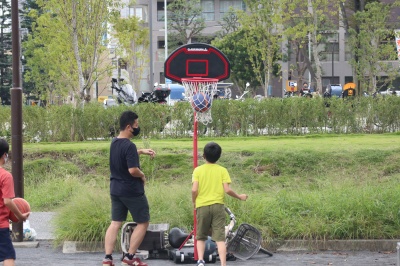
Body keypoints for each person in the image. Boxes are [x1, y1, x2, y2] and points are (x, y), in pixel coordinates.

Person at [102, 111, 156, 266]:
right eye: (136, 125)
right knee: (143, 222)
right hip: (131, 191)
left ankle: (107, 258)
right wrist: (142, 175)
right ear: (128, 126)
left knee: (115, 222)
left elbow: (124, 154)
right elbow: (132, 170)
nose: (137, 128)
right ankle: (130, 257)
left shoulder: (114, 142)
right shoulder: (129, 146)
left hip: (115, 190)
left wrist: (140, 151)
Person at [192, 142, 248, 266]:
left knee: (200, 236)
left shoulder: (198, 170)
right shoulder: (222, 170)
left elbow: (194, 190)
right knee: (220, 238)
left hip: (202, 206)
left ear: (204, 155)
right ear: (219, 156)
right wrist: (240, 196)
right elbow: (227, 190)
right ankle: (223, 264)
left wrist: (194, 201)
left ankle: (201, 261)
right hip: (218, 206)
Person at [0, 139, 30, 266]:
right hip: (1, 225)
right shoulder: (5, 176)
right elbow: (7, 201)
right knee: (9, 256)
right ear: (5, 155)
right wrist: (20, 215)